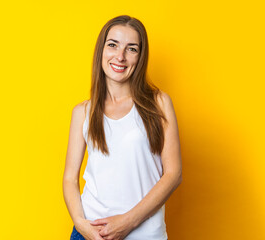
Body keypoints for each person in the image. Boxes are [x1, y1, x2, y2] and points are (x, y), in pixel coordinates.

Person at [63, 15, 182, 240]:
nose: (120, 56)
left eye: (132, 49)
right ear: (102, 50)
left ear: (140, 56)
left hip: (144, 235)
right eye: (113, 45)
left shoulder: (159, 104)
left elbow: (173, 174)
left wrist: (127, 222)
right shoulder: (82, 112)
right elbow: (70, 178)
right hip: (90, 234)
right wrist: (81, 225)